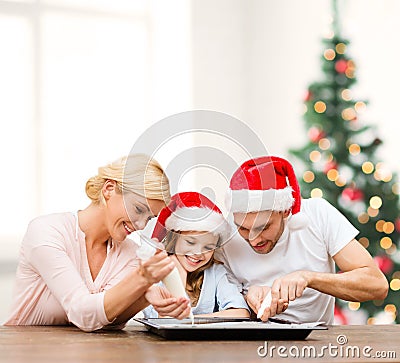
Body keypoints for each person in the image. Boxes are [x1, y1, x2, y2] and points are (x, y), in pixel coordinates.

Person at [4, 154, 187, 332]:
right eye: (138, 209)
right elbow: (82, 313)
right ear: (109, 189)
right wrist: (141, 280)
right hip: (26, 350)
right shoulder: (47, 231)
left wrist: (144, 296)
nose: (140, 224)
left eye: (149, 218)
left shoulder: (129, 253)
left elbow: (105, 322)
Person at [219, 155, 389, 324]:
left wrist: (309, 278)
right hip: (249, 344)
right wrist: (249, 298)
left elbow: (376, 285)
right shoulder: (226, 237)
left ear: (285, 210)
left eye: (263, 228)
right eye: (243, 228)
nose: (254, 239)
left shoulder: (317, 214)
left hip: (316, 343)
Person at [143, 192, 250, 318]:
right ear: (174, 239)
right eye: (190, 242)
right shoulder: (155, 272)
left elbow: (241, 313)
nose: (198, 253)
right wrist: (179, 281)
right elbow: (160, 320)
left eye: (208, 247)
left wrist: (191, 321)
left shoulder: (216, 273)